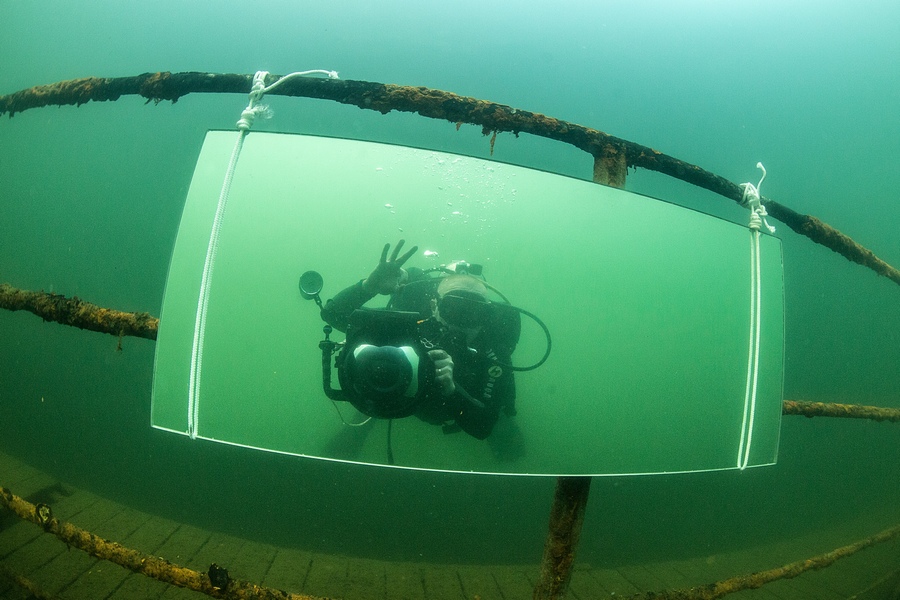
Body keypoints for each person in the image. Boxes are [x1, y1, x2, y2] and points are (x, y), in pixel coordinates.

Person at [320, 240, 520, 444]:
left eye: (475, 313)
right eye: (453, 308)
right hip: (401, 392)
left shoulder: (493, 354)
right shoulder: (410, 326)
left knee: (502, 424)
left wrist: (452, 390)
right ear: (434, 305)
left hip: (459, 410)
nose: (463, 323)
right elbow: (333, 315)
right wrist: (369, 287)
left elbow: (483, 427)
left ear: (487, 317)